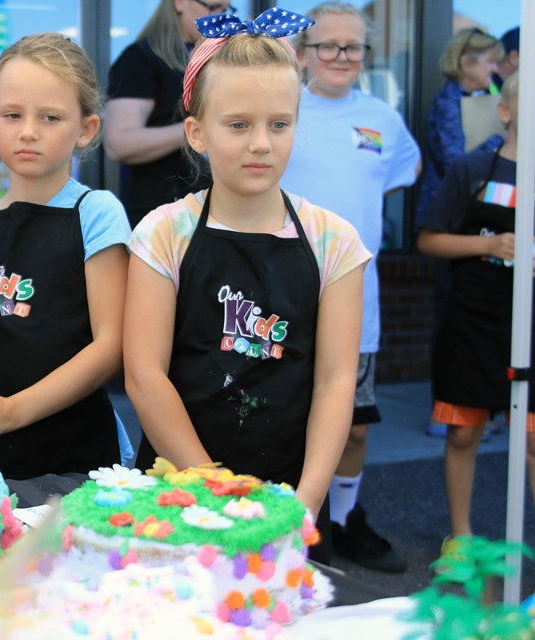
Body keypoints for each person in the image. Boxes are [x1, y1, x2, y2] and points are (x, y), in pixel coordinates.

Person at [124, 8, 371, 564]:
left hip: (289, 491)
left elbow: (336, 381)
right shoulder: (165, 232)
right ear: (197, 132)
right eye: (238, 125)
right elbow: (144, 374)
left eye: (279, 124)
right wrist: (211, 486)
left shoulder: (335, 241)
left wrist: (305, 504)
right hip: (179, 484)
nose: (261, 142)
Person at [0, 33, 130, 480]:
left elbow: (110, 346)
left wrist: (14, 410)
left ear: (86, 129)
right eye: (12, 115)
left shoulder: (96, 214)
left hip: (77, 460)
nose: (28, 131)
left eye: (50, 117)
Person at [282, 2, 420, 574]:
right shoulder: (283, 108)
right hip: (281, 296)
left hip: (357, 301)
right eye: (328, 46)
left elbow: (394, 180)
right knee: (281, 417)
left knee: (354, 425)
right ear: (302, 52)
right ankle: (288, 527)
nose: (342, 57)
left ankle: (342, 521)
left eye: (354, 47)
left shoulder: (384, 119)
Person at [416, 72, 535, 565]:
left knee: (531, 438)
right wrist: (487, 245)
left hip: (529, 325)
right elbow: (428, 239)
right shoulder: (469, 169)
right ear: (505, 113)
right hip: (472, 318)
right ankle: (460, 536)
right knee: (463, 431)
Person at [104, 0, 223, 227]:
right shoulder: (139, 59)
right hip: (160, 215)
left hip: (205, 211)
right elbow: (118, 143)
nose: (219, 17)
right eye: (213, 7)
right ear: (181, 3)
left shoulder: (208, 59)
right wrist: (199, 129)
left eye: (226, 10)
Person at [415, 27, 503, 228]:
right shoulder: (448, 103)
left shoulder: (480, 97)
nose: (495, 69)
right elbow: (455, 163)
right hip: (445, 218)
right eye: (490, 62)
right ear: (466, 63)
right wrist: (501, 138)